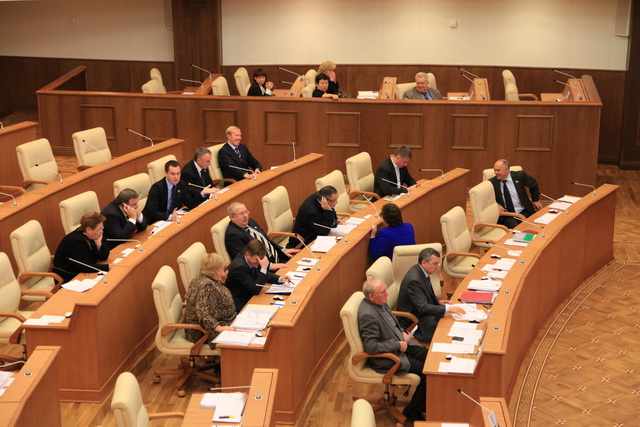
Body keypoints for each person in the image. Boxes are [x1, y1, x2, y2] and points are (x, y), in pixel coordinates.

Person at [358, 278, 427, 422]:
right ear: (372, 296)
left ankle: (428, 401)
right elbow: (371, 347)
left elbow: (392, 324)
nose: (387, 294)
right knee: (426, 373)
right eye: (383, 292)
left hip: (401, 347)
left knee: (430, 358)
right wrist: (397, 345)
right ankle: (412, 411)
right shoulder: (368, 315)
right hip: (389, 358)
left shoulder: (380, 302)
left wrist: (403, 332)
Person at [396, 248, 465, 343]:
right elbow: (423, 308)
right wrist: (448, 309)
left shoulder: (421, 271)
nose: (437, 267)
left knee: (449, 321)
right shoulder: (414, 280)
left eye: (438, 264)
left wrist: (437, 300)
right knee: (444, 332)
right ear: (424, 262)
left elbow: (424, 293)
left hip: (421, 310)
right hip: (413, 318)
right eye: (435, 264)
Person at [225, 202, 299, 271]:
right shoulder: (233, 236)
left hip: (278, 256)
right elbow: (245, 260)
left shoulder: (250, 222)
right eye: (241, 213)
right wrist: (270, 266)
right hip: (265, 268)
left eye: (246, 212)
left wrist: (282, 250)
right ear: (232, 217)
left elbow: (266, 241)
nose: (246, 216)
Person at [184, 252, 237, 348]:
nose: (224, 270)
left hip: (223, 322)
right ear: (216, 271)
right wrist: (219, 328)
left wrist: (222, 282)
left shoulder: (200, 278)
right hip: (205, 333)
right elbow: (202, 313)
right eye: (222, 268)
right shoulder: (206, 286)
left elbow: (216, 296)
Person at [225, 240, 292, 312]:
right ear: (247, 255)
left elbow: (263, 273)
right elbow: (255, 289)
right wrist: (264, 268)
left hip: (253, 294)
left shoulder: (253, 259)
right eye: (256, 261)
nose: (258, 263)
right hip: (242, 301)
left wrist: (280, 279)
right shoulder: (238, 267)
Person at [143, 160, 218, 224]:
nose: (176, 177)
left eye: (178, 173)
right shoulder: (157, 188)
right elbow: (152, 211)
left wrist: (202, 193)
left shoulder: (181, 184)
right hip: (153, 222)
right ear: (165, 173)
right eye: (173, 174)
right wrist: (169, 217)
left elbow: (191, 204)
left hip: (170, 220)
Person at [52, 212, 110, 283]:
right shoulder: (77, 241)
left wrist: (99, 243)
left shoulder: (92, 235)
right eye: (99, 229)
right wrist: (108, 267)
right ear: (88, 229)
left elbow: (104, 257)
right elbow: (84, 267)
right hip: (67, 276)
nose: (102, 232)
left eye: (102, 228)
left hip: (80, 272)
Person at [489, 159, 542, 229]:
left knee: (537, 227)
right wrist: (497, 205)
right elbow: (488, 199)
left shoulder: (519, 176)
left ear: (507, 170)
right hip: (508, 215)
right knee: (518, 230)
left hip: (524, 210)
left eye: (498, 170)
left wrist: (535, 200)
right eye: (494, 170)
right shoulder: (492, 182)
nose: (495, 173)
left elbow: (533, 184)